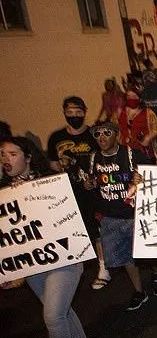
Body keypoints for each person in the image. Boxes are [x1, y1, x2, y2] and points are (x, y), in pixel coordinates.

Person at [0, 137, 95, 338]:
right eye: (2, 154)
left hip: (65, 258)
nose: (6, 159)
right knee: (60, 308)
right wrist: (9, 270)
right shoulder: (3, 194)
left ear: (28, 157)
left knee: (52, 315)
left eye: (12, 153)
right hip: (34, 264)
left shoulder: (52, 181)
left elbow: (75, 212)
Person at [84, 121, 157, 310]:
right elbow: (93, 182)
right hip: (110, 216)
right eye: (97, 134)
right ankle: (139, 291)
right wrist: (90, 185)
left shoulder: (130, 155)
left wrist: (141, 178)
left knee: (145, 253)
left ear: (117, 135)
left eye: (106, 133)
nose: (101, 138)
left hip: (134, 214)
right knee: (125, 257)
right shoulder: (93, 158)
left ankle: (156, 270)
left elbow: (152, 174)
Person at [46, 96, 110, 287]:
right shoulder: (56, 138)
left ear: (85, 112)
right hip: (69, 191)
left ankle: (103, 266)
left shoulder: (93, 134)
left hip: (93, 190)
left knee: (97, 228)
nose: (74, 116)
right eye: (70, 113)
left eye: (78, 112)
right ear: (64, 112)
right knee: (75, 229)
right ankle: (75, 268)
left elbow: (104, 158)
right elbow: (53, 164)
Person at [117, 80, 157, 163]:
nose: (131, 98)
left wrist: (148, 137)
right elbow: (117, 130)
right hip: (125, 152)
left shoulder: (148, 113)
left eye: (134, 96)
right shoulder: (120, 112)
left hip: (143, 151)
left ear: (139, 98)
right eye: (129, 96)